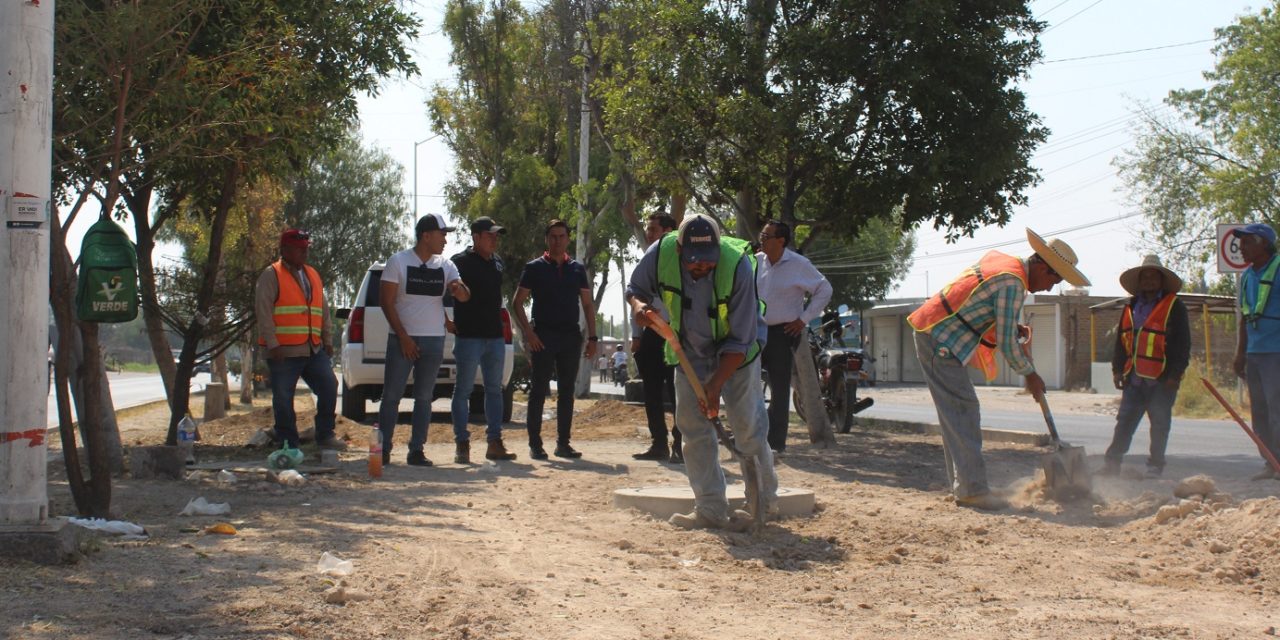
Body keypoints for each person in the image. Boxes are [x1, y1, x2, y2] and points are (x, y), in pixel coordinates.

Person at [906, 229, 1088, 511]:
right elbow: (1004, 342)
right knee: (963, 409)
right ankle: (972, 491)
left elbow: (980, 306)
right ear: (1041, 265)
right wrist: (1030, 374)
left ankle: (965, 487)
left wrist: (1012, 328)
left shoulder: (1007, 266)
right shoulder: (1012, 282)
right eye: (1054, 279)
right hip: (939, 339)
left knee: (955, 414)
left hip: (936, 333)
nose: (1051, 288)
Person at [627, 214, 778, 531]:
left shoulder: (737, 265)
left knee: (747, 428)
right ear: (680, 251)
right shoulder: (660, 252)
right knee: (694, 431)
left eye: (708, 263)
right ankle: (710, 508)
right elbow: (636, 288)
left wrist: (714, 386)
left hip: (738, 355)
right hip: (690, 352)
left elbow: (740, 339)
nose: (703, 269)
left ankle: (762, 505)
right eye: (695, 263)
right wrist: (638, 306)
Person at [374, 214, 471, 467]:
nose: (445, 239)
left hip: (433, 340)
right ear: (426, 235)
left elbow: (464, 296)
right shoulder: (398, 261)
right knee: (392, 396)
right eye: (442, 233)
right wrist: (404, 337)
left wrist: (459, 289)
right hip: (401, 340)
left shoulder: (446, 265)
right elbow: (386, 302)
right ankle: (383, 449)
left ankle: (416, 450)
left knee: (424, 397)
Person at [512, 219, 599, 459]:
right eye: (553, 236)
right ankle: (535, 444)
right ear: (546, 239)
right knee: (539, 390)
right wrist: (529, 334)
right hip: (543, 336)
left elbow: (588, 304)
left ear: (568, 239)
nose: (557, 241)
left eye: (561, 236)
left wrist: (592, 337)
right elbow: (517, 302)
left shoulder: (577, 269)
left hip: (570, 337)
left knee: (566, 391)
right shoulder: (534, 267)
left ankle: (563, 443)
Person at [255, 229, 344, 451]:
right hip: (283, 351)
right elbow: (263, 311)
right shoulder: (271, 274)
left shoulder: (312, 274)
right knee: (284, 397)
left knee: (329, 386)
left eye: (306, 248)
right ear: (285, 250)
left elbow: (322, 309)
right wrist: (273, 343)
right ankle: (287, 441)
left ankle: (325, 434)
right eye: (299, 249)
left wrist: (327, 338)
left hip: (313, 349)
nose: (304, 252)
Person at [1102, 255, 1190, 479]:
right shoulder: (1131, 306)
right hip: (1134, 378)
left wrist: (1175, 375)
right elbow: (1122, 342)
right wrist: (1117, 370)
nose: (1149, 280)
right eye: (1145, 276)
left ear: (1161, 280)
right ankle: (1112, 465)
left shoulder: (1174, 307)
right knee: (1124, 423)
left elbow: (1183, 344)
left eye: (1154, 276)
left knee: (1159, 424)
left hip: (1162, 379)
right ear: (1139, 282)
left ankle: (1155, 466)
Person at [755, 220, 832, 453]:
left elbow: (824, 289)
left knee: (779, 389)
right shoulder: (756, 261)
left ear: (781, 241)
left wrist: (804, 319)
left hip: (783, 333)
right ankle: (752, 437)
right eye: (762, 235)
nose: (762, 239)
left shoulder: (798, 264)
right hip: (755, 332)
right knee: (748, 385)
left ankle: (775, 443)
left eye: (767, 236)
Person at [449, 216, 519, 464]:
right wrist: (446, 322)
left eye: (496, 235)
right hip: (468, 337)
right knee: (464, 391)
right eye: (490, 235)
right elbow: (447, 296)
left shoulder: (498, 263)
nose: (494, 239)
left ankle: (494, 442)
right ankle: (462, 443)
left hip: (494, 337)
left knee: (494, 390)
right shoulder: (458, 263)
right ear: (476, 237)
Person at [631, 213, 682, 463]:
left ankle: (680, 445)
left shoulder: (682, 257)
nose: (649, 234)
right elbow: (635, 293)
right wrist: (636, 335)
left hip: (678, 334)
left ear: (670, 231)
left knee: (678, 393)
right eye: (648, 229)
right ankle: (658, 444)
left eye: (653, 229)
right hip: (652, 333)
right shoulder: (648, 259)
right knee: (651, 391)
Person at [1231, 223, 1280, 480]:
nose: (1241, 247)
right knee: (1260, 411)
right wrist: (1240, 354)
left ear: (1263, 243)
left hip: (1276, 352)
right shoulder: (1248, 276)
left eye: (1248, 242)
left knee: (1277, 409)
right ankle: (1270, 462)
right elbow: (1244, 318)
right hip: (1254, 353)